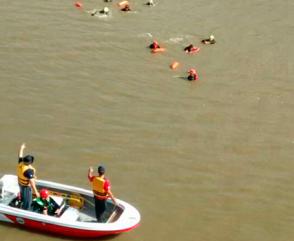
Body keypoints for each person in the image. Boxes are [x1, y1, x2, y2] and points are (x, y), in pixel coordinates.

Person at [17, 143, 39, 210]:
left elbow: (20, 155)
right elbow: (32, 182)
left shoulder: (21, 163)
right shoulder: (28, 171)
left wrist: (22, 148)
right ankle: (26, 210)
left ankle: (22, 201)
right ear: (29, 163)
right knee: (28, 200)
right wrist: (36, 192)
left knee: (23, 195)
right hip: (26, 187)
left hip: (20, 183)